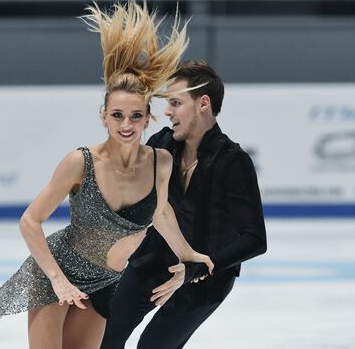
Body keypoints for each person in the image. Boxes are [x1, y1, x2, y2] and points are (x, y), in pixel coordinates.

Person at [0, 1, 214, 349]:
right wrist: (56, 279)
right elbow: (30, 220)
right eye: (117, 115)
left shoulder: (161, 162)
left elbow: (160, 212)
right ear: (104, 117)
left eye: (134, 116)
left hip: (107, 280)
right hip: (58, 271)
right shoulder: (80, 162)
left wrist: (188, 254)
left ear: (148, 118)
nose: (125, 125)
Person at [101, 60, 268, 349]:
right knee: (104, 336)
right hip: (152, 262)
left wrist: (198, 268)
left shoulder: (233, 161)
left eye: (176, 102)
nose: (167, 111)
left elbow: (255, 239)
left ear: (203, 104)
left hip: (204, 281)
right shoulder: (161, 144)